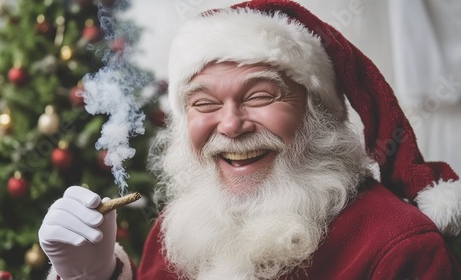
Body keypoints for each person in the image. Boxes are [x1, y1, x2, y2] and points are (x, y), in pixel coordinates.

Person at [38, 0, 461, 279]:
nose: (231, 125)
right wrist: (96, 276)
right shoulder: (179, 233)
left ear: (319, 112)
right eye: (203, 104)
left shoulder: (398, 248)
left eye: (260, 96)